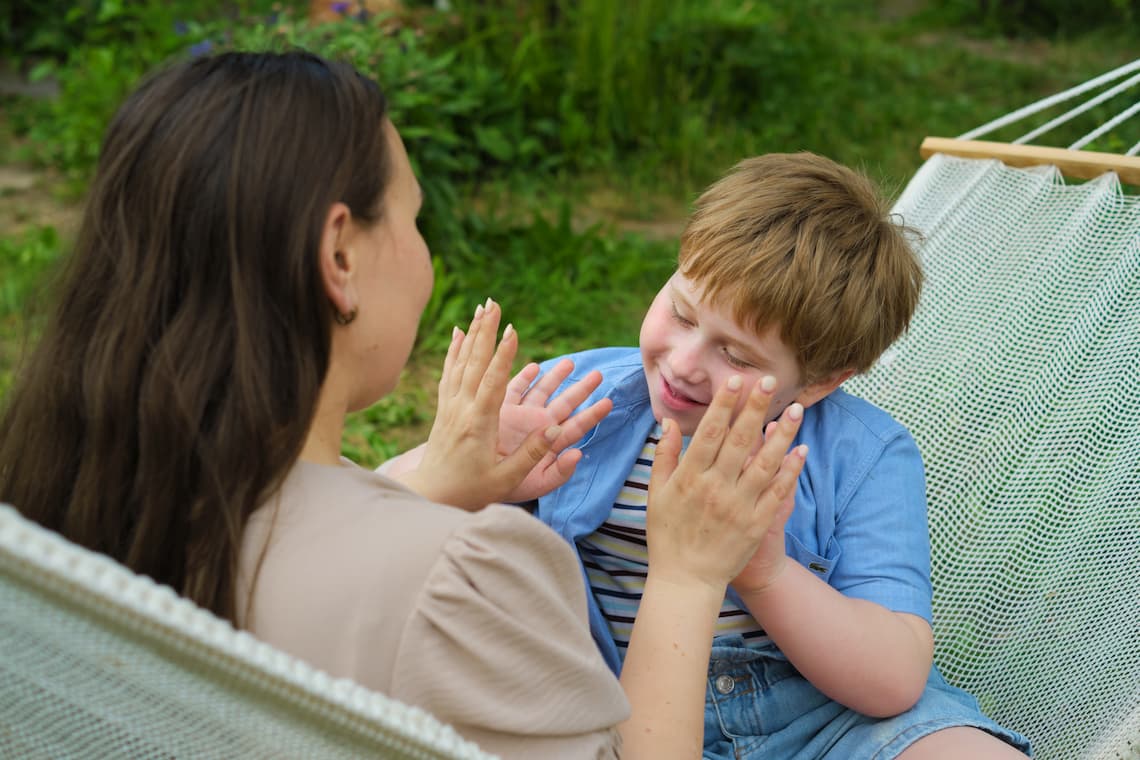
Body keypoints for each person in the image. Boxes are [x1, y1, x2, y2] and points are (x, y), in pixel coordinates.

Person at [0, 50, 810, 759]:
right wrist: (687, 576)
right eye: (416, 221)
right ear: (339, 255)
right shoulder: (469, 575)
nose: (423, 258)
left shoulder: (61, 497)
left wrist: (419, 491)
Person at [517, 154, 1033, 758]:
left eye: (737, 358)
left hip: (815, 719)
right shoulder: (576, 399)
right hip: (610, 706)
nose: (683, 362)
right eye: (681, 313)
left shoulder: (865, 458)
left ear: (817, 382)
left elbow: (894, 675)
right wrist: (488, 477)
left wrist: (765, 572)